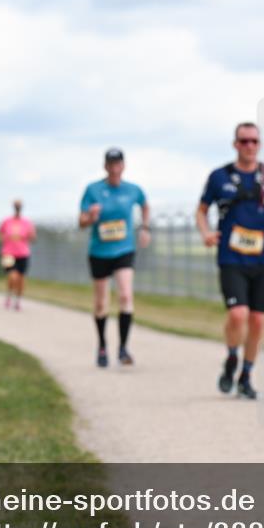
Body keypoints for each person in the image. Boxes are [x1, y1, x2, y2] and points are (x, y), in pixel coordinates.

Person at [195, 122, 264, 399]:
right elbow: (201, 211)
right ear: (235, 144)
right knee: (238, 314)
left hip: (263, 259)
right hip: (231, 258)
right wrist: (205, 233)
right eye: (243, 141)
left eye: (254, 141)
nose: (249, 146)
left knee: (258, 320)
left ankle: (246, 376)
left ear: (259, 144)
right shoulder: (219, 177)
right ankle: (231, 357)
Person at [78, 148, 150, 367]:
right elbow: (81, 222)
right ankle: (102, 346)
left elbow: (145, 205)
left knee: (126, 296)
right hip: (99, 252)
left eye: (118, 163)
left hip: (124, 250)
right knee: (101, 303)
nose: (115, 167)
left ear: (123, 165)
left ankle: (123, 348)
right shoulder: (93, 190)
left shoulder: (133, 190)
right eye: (111, 163)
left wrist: (144, 227)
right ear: (105, 166)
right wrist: (90, 217)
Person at [0, 199, 37, 311]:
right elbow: (0, 234)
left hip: (23, 253)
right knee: (12, 276)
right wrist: (6, 240)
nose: (17, 208)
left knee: (21, 279)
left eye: (19, 206)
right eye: (16, 206)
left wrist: (30, 236)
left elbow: (33, 237)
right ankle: (9, 294)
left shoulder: (27, 222)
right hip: (8, 253)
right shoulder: (7, 221)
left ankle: (17, 300)